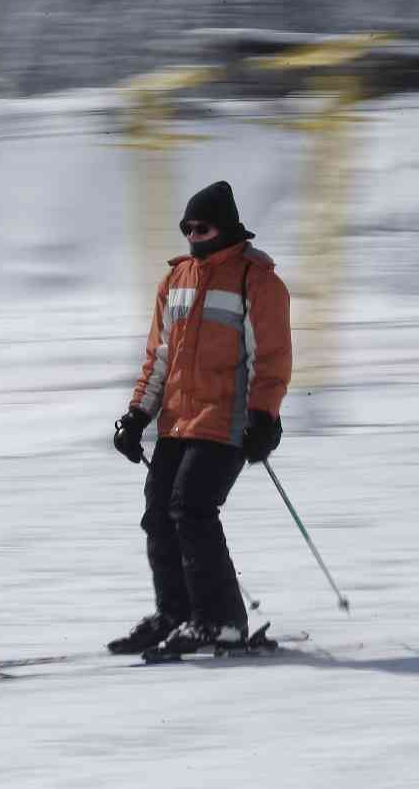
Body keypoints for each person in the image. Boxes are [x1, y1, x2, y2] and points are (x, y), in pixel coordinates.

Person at [108, 180, 292, 656]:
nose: (193, 235)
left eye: (202, 227)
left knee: (191, 506)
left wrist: (264, 419)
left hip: (228, 420)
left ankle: (222, 620)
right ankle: (177, 613)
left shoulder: (257, 280)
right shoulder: (176, 280)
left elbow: (270, 359)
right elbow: (160, 359)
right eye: (186, 227)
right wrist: (136, 415)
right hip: (177, 420)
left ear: (226, 228)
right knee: (158, 512)